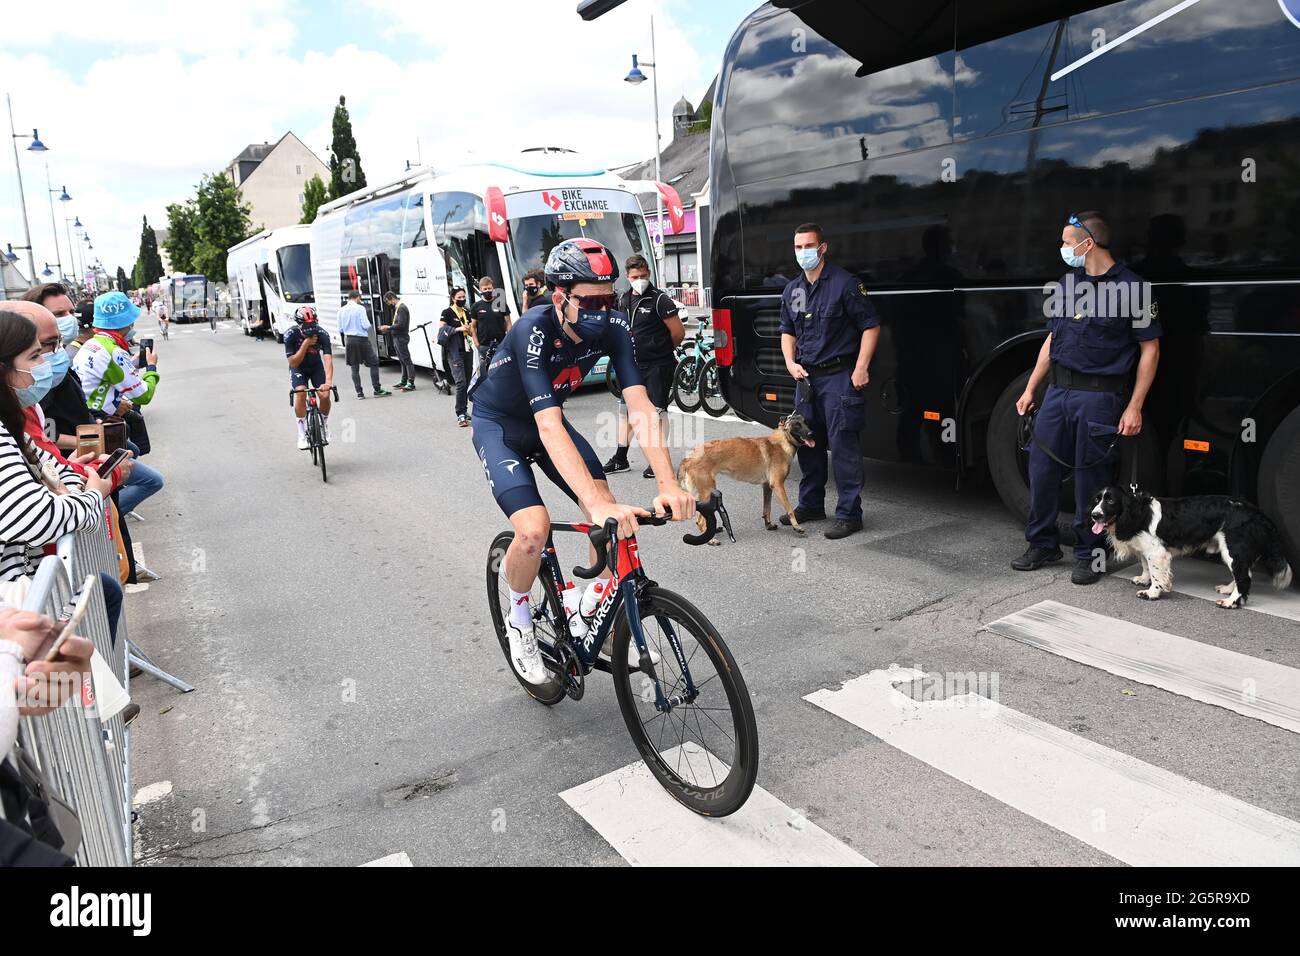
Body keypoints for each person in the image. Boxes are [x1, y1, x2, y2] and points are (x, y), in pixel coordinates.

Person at [470, 238, 695, 685]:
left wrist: (669, 483)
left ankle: (591, 605)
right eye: (590, 300)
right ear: (560, 297)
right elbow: (550, 426)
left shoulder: (614, 325)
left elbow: (641, 407)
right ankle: (519, 622)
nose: (603, 308)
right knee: (534, 529)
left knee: (609, 514)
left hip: (547, 420)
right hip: (502, 425)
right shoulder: (531, 329)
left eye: (609, 297)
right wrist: (594, 502)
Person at [1012, 211, 1162, 585]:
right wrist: (1031, 388)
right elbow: (1052, 341)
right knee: (1042, 472)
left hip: (1099, 397)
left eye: (1066, 242)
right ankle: (1042, 544)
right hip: (1057, 393)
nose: (1062, 249)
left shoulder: (1133, 289)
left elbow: (1150, 349)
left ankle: (1089, 555)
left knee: (1091, 484)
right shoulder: (1066, 284)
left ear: (1087, 244)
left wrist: (1135, 405)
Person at [778, 223, 880, 540]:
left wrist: (861, 367)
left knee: (843, 445)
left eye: (809, 246)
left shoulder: (844, 284)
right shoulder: (793, 290)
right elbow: (787, 332)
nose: (803, 252)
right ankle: (811, 505)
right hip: (806, 380)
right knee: (807, 444)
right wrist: (790, 363)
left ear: (823, 248)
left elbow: (871, 326)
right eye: (798, 247)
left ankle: (850, 514)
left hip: (838, 376)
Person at [603, 255, 684, 478]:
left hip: (658, 365)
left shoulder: (660, 300)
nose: (640, 279)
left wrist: (660, 350)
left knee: (657, 412)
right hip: (632, 365)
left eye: (644, 276)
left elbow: (678, 333)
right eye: (635, 276)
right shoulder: (623, 299)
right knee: (625, 411)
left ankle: (659, 461)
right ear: (628, 277)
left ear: (649, 273)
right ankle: (620, 458)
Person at [71, 292, 160, 420]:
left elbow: (107, 371)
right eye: (131, 322)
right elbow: (143, 395)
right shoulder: (112, 351)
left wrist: (132, 363)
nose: (132, 326)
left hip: (86, 412)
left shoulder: (91, 343)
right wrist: (151, 367)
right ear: (124, 323)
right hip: (99, 418)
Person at [284, 306, 335, 449]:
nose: (310, 329)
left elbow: (328, 360)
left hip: (315, 366)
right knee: (300, 392)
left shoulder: (322, 333)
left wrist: (328, 382)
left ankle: (324, 424)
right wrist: (305, 344)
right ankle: (301, 432)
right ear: (299, 324)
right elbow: (293, 362)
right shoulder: (290, 335)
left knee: (325, 395)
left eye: (313, 324)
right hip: (298, 367)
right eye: (307, 326)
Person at [337, 290, 391, 399]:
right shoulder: (360, 308)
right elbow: (366, 325)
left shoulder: (341, 310)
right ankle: (377, 389)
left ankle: (359, 393)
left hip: (350, 340)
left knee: (354, 367)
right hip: (362, 339)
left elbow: (340, 329)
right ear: (357, 297)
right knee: (374, 363)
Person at [439, 287, 473, 427]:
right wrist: (459, 329)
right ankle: (460, 413)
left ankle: (464, 411)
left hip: (467, 349)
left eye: (463, 297)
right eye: (459, 297)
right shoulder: (446, 312)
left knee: (468, 381)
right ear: (453, 298)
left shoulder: (466, 312)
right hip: (454, 352)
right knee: (461, 382)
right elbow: (442, 329)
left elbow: (471, 330)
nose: (462, 299)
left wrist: (470, 329)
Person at [469, 275, 511, 376]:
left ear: (493, 289)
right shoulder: (476, 306)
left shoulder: (500, 303)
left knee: (502, 372)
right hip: (484, 345)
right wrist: (477, 344)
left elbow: (508, 323)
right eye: (485, 289)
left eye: (489, 288)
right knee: (487, 373)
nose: (488, 290)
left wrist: (508, 340)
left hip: (501, 344)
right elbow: (473, 327)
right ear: (480, 290)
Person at [380, 291, 415, 391]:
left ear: (391, 298)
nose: (389, 304)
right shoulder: (399, 307)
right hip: (398, 337)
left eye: (388, 301)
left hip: (401, 337)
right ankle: (404, 380)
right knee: (402, 360)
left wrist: (388, 327)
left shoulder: (402, 308)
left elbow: (401, 324)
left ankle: (411, 382)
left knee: (406, 360)